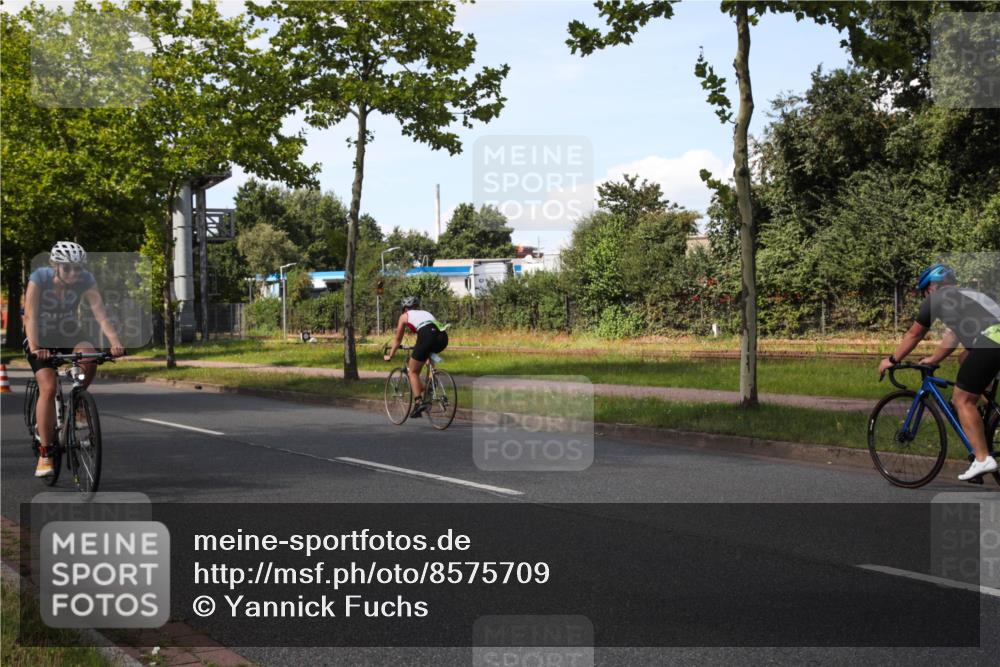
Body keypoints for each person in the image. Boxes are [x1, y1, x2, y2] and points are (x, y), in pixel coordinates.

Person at [878, 263, 1000, 480]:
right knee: (965, 358)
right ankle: (989, 415)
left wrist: (892, 359)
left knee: (961, 399)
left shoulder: (935, 299)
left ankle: (982, 458)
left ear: (931, 287)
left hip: (992, 341)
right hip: (993, 339)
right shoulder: (966, 295)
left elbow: (914, 335)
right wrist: (934, 359)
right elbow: (953, 337)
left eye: (924, 291)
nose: (925, 296)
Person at [23, 241, 125, 477]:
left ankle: (78, 402)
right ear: (55, 266)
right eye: (67, 268)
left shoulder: (86, 280)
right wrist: (37, 348)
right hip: (38, 334)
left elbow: (101, 314)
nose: (74, 273)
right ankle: (45, 453)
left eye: (78, 268)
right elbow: (29, 315)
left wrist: (115, 342)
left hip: (67, 330)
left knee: (90, 356)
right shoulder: (40, 278)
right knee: (48, 388)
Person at [383, 296, 449, 418]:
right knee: (427, 354)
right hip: (442, 336)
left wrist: (390, 355)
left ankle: (418, 403)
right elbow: (430, 329)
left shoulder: (404, 316)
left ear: (404, 308)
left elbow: (398, 339)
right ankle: (431, 383)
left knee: (412, 372)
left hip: (426, 336)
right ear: (417, 307)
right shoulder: (426, 312)